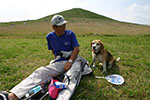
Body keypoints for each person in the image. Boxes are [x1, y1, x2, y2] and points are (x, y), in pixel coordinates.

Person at [0, 15, 80, 100]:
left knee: (71, 77)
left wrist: (70, 61)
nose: (64, 27)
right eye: (61, 26)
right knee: (41, 72)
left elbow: (76, 49)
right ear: (54, 27)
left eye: (64, 24)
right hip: (60, 61)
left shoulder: (70, 34)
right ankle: (12, 96)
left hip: (74, 59)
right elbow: (53, 50)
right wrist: (59, 61)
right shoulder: (49, 37)